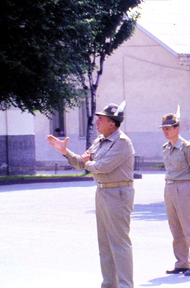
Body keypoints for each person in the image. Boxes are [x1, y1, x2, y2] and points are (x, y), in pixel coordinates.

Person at [47, 102, 135, 288]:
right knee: (104, 244)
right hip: (103, 191)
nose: (96, 122)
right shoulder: (100, 140)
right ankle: (109, 284)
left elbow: (102, 166)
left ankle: (126, 285)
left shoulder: (122, 142)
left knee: (119, 242)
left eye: (100, 119)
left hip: (118, 192)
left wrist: (88, 163)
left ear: (112, 123)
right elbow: (82, 162)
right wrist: (65, 151)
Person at [160, 112, 190, 277]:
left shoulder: (187, 147)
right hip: (169, 187)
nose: (165, 131)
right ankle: (182, 263)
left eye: (169, 128)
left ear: (177, 128)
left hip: (184, 187)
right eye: (164, 128)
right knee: (176, 229)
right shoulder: (166, 148)